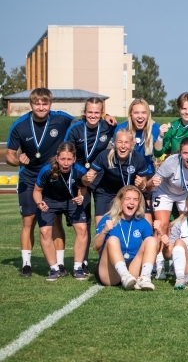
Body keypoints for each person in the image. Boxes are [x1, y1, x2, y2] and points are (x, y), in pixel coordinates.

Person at [8, 88, 74, 277]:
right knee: (28, 220)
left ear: (50, 104)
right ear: (31, 104)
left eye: (45, 103)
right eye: (37, 103)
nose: (41, 107)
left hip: (52, 179)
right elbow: (10, 156)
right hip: (28, 178)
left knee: (55, 221)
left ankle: (60, 264)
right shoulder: (20, 125)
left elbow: (83, 122)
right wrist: (18, 160)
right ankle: (26, 264)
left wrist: (106, 117)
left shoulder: (61, 119)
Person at [147, 136, 188, 279]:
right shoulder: (171, 163)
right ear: (180, 153)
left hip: (186, 193)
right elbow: (152, 185)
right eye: (185, 153)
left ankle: (176, 261)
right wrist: (151, 184)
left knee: (185, 226)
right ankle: (157, 265)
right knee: (162, 225)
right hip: (165, 192)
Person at [64, 97, 117, 273]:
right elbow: (66, 152)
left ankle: (105, 256)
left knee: (103, 219)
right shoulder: (75, 128)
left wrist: (110, 116)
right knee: (83, 220)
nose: (93, 115)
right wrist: (82, 173)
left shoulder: (108, 126)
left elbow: (124, 133)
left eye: (97, 112)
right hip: (80, 177)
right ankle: (83, 261)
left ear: (102, 113)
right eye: (89, 112)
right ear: (84, 113)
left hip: (102, 178)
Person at [33, 142, 88, 280]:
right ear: (57, 158)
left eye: (69, 159)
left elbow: (83, 187)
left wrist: (81, 196)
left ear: (74, 159)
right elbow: (37, 191)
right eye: (63, 159)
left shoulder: (80, 171)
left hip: (71, 200)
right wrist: (40, 203)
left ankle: (78, 267)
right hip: (49, 201)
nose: (65, 163)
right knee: (45, 232)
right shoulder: (47, 170)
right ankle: (54, 269)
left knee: (82, 228)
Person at [93, 186, 158, 290]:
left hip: (132, 269)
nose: (132, 202)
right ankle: (124, 276)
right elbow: (96, 247)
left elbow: (153, 249)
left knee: (151, 240)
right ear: (120, 201)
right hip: (110, 272)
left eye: (136, 200)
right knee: (112, 239)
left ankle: (145, 278)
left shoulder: (142, 222)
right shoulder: (107, 219)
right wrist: (104, 231)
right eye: (128, 199)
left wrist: (158, 234)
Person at [82, 129, 149, 226]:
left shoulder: (138, 159)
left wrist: (142, 185)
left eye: (126, 142)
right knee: (101, 226)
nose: (123, 146)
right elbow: (86, 181)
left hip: (128, 195)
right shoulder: (104, 155)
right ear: (114, 143)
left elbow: (144, 187)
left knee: (146, 223)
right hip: (106, 194)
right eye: (119, 142)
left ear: (132, 144)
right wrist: (86, 179)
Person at [114, 98, 162, 223]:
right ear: (130, 114)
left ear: (148, 115)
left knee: (146, 217)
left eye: (143, 112)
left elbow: (160, 151)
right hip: (124, 174)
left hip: (147, 175)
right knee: (121, 214)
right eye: (136, 113)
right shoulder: (121, 128)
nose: (140, 116)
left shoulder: (155, 129)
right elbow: (112, 151)